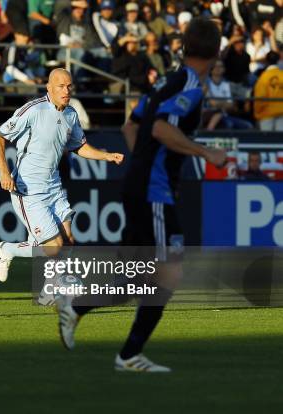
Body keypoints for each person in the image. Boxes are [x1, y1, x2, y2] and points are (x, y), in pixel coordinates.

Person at [56, 18, 227, 372]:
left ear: (184, 46)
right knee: (167, 274)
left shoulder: (166, 81)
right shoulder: (190, 86)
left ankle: (76, 308)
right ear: (217, 50)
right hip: (154, 192)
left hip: (141, 184)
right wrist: (205, 153)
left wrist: (143, 164)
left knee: (134, 276)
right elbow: (161, 128)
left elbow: (131, 125)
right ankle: (128, 354)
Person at [0, 68, 123, 283]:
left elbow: (79, 147)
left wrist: (106, 156)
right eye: (61, 86)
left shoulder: (71, 114)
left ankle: (50, 286)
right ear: (49, 88)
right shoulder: (33, 110)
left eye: (69, 86)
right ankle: (9, 250)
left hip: (53, 186)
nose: (66, 90)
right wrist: (4, 172)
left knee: (68, 241)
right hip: (28, 189)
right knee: (54, 247)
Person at [253, 51, 283, 131]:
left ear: (266, 61)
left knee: (268, 141)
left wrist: (257, 113)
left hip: (266, 115)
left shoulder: (263, 77)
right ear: (278, 60)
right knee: (280, 141)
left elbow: (260, 97)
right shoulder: (282, 75)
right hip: (281, 114)